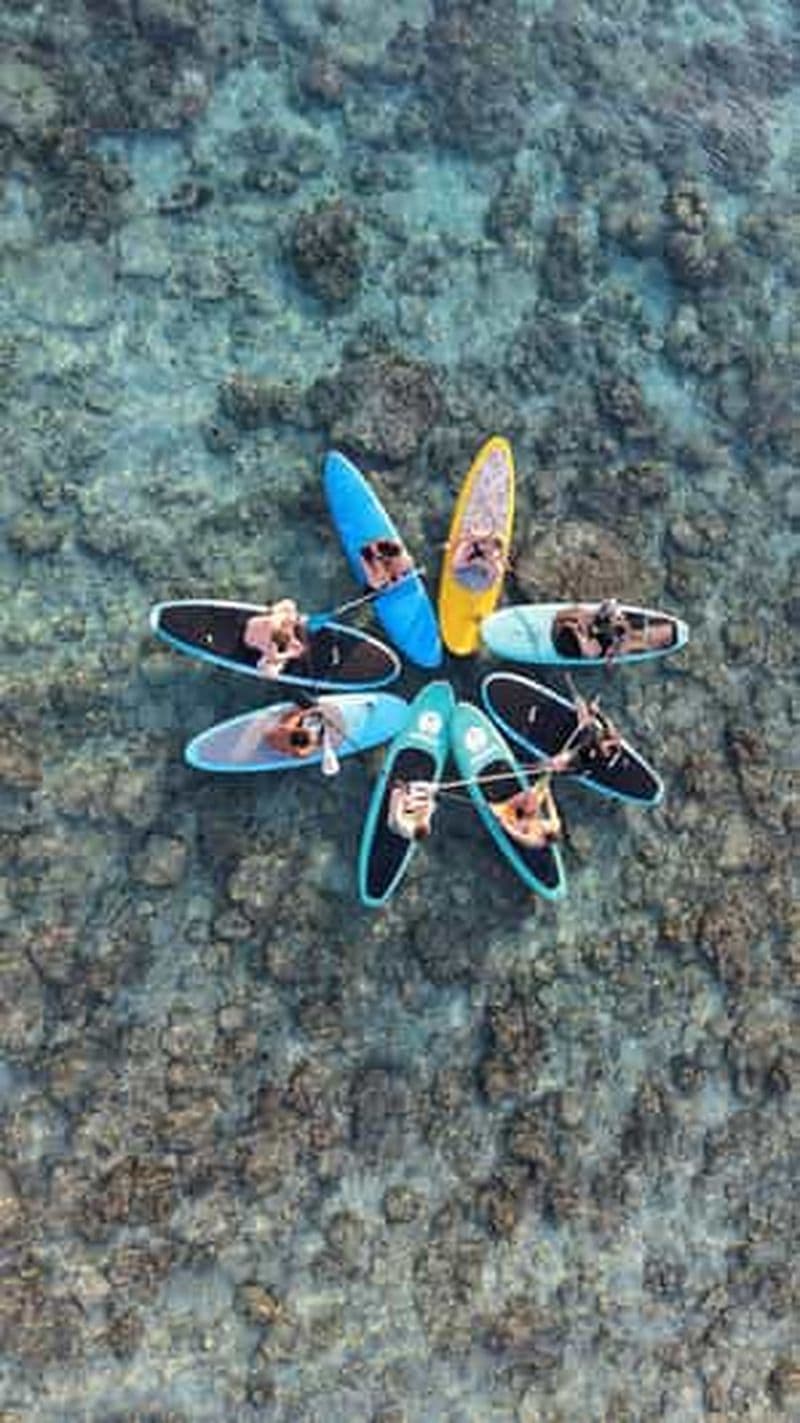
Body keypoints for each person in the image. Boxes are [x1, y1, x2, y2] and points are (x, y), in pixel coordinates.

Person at [547, 693, 622, 774]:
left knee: (560, 762)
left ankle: (557, 766)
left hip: (585, 756)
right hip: (587, 739)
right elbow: (605, 723)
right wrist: (595, 712)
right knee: (581, 705)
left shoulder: (599, 757)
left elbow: (584, 759)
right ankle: (555, 765)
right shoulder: (608, 733)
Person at [262, 703, 344, 773]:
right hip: (317, 719)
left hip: (325, 730)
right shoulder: (290, 721)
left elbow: (303, 754)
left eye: (282, 749)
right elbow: (297, 714)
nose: (274, 743)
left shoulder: (301, 752)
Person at [244, 598, 308, 677]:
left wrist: (294, 648)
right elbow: (271, 654)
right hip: (254, 650)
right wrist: (290, 653)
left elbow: (292, 643)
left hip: (267, 651)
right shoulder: (261, 624)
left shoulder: (287, 626)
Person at [490, 778, 562, 849]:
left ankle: (501, 809)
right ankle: (506, 805)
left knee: (497, 813)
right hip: (527, 818)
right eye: (548, 827)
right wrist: (548, 794)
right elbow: (552, 808)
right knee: (531, 795)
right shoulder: (555, 825)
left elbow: (514, 833)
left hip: (515, 825)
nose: (544, 827)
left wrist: (504, 822)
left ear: (543, 836)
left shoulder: (534, 841)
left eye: (544, 830)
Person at [451, 526, 507, 592]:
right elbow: (458, 564)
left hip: (478, 579)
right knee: (469, 552)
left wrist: (488, 563)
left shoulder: (492, 554)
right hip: (463, 572)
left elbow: (497, 572)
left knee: (489, 565)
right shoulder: (473, 547)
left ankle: (485, 573)